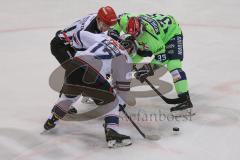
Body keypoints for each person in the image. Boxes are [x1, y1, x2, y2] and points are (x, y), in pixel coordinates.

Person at [44, 31, 136, 148]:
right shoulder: (126, 58)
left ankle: (52, 119)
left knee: (71, 94)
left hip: (74, 65)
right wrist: (120, 105)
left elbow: (79, 35)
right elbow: (123, 88)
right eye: (132, 50)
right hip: (92, 73)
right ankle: (112, 132)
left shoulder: (105, 38)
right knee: (112, 101)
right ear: (130, 47)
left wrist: (76, 46)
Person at [108, 13, 193, 113]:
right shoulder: (125, 20)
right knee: (126, 63)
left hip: (171, 34)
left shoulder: (150, 38)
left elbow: (162, 57)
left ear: (141, 28)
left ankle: (185, 98)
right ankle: (109, 90)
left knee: (173, 64)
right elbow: (118, 21)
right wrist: (114, 33)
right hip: (152, 35)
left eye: (135, 34)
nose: (133, 37)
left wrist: (148, 69)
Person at [50, 6, 117, 113]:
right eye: (105, 25)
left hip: (71, 44)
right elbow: (85, 56)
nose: (107, 28)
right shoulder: (88, 30)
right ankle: (62, 104)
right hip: (61, 46)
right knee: (75, 71)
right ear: (99, 20)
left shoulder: (97, 19)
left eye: (109, 26)